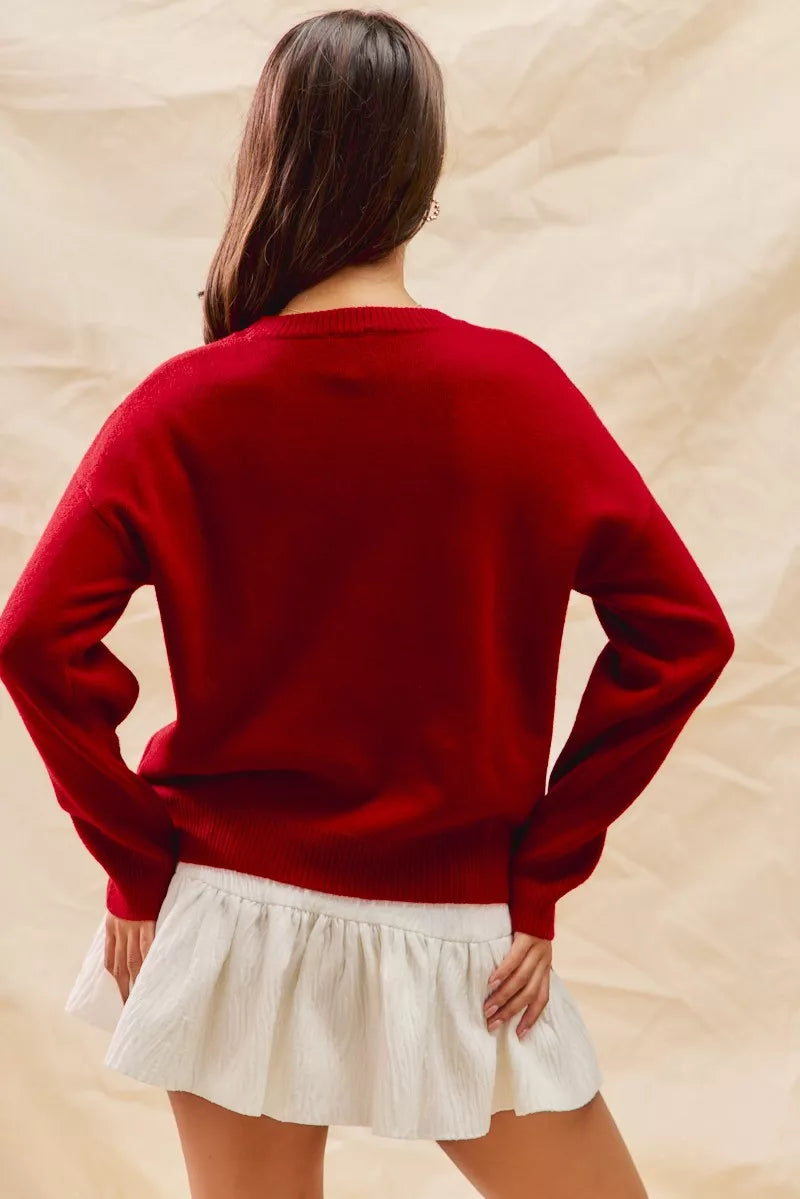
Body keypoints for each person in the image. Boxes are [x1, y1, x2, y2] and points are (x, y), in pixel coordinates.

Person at [0, 8, 734, 1199]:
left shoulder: (182, 406)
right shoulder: (516, 395)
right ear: (421, 183)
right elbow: (683, 633)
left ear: (267, 163)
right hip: (457, 927)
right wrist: (540, 869)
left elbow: (34, 639)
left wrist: (138, 862)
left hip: (229, 918)